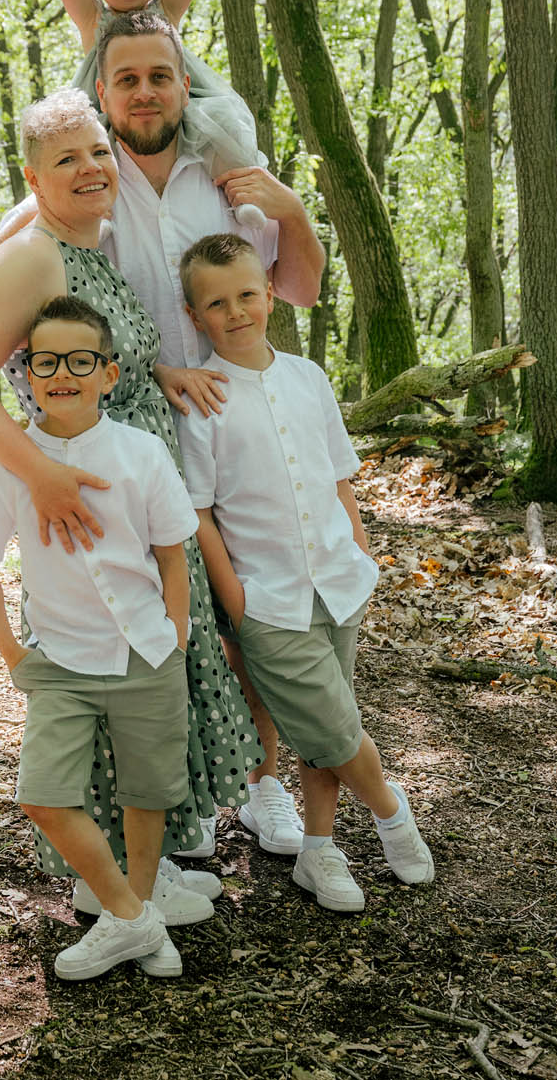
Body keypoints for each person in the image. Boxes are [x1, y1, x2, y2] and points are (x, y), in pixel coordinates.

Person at [0, 15, 326, 856]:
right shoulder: (71, 216)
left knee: (227, 620)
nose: (145, 91)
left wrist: (289, 206)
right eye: (126, 80)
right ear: (105, 96)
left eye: (162, 74)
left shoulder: (218, 178)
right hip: (108, 461)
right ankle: (130, 854)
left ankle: (228, 804)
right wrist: (38, 467)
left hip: (213, 421)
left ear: (184, 84)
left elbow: (293, 288)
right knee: (127, 634)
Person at [176, 233, 435, 911]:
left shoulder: (308, 376)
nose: (235, 312)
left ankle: (318, 853)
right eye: (216, 303)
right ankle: (390, 811)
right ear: (194, 313)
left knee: (331, 724)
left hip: (338, 580)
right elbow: (200, 513)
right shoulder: (203, 400)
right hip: (268, 598)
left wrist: (361, 554)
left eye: (246, 295)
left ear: (267, 291)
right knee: (333, 727)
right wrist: (237, 598)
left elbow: (340, 477)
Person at [0, 295, 211, 979]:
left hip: (148, 653)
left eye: (79, 360)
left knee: (147, 791)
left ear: (109, 372)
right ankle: (132, 916)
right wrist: (13, 654)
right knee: (42, 794)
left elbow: (171, 555)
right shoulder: (7, 461)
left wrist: (177, 639)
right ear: (26, 374)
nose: (61, 374)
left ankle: (134, 912)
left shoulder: (141, 451)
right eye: (46, 362)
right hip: (60, 660)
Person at [37, 0, 267, 227]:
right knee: (89, 143)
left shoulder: (165, 8)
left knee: (221, 124)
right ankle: (101, 214)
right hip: (107, 104)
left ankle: (242, 198)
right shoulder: (93, 18)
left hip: (172, 98)